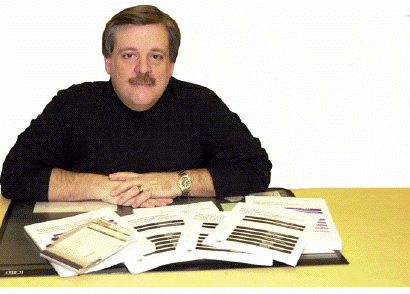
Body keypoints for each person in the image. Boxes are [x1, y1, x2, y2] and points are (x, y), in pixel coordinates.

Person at [0, 5, 272, 208]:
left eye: (156, 56)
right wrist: (102, 187)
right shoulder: (73, 106)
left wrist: (175, 182)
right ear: (108, 62)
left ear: (171, 64)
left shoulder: (201, 105)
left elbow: (256, 169)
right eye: (129, 55)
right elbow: (15, 176)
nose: (143, 69)